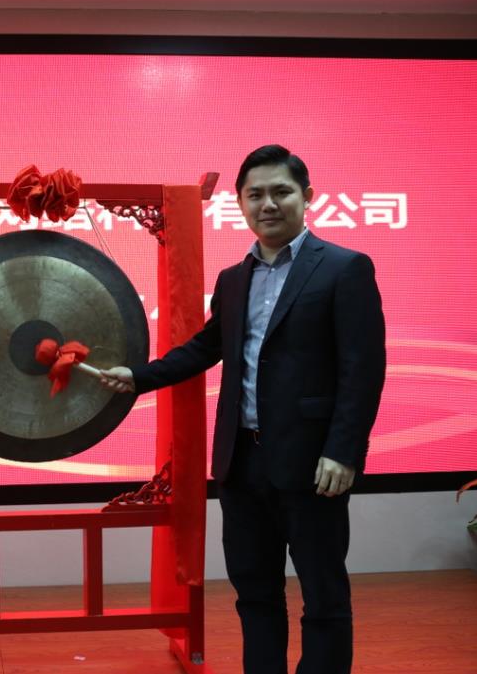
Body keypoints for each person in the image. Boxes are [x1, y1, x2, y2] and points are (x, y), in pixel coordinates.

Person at [101, 144, 385, 674]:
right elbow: (206, 348)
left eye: (281, 192)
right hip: (241, 464)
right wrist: (139, 376)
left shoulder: (344, 269)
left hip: (313, 464)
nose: (267, 204)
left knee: (323, 595)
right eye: (255, 195)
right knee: (254, 595)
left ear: (307, 196)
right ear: (240, 203)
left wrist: (343, 451)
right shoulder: (234, 279)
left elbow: (362, 370)